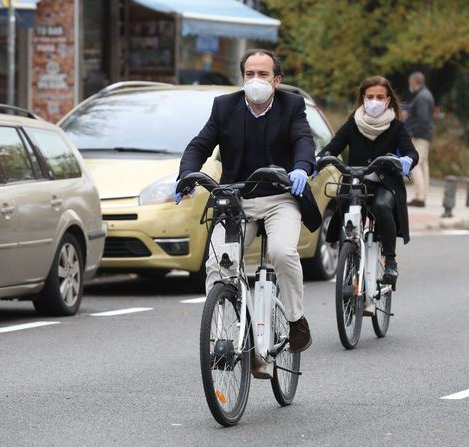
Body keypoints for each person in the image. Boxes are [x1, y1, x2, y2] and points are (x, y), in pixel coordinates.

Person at [174, 49, 321, 353]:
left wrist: (301, 169)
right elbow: (200, 144)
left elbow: (303, 140)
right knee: (218, 264)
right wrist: (187, 174)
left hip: (281, 198)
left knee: (282, 252)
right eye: (249, 74)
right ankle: (224, 334)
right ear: (242, 78)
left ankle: (296, 320)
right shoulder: (224, 106)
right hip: (237, 201)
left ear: (276, 80)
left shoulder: (291, 105)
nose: (255, 80)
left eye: (263, 74)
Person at [318, 75, 419, 288]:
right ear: (363, 98)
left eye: (380, 97)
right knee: (345, 212)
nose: (374, 101)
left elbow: (411, 151)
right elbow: (333, 147)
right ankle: (349, 252)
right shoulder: (353, 123)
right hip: (355, 182)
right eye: (370, 96)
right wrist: (319, 159)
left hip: (384, 184)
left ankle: (390, 261)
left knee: (382, 207)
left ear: (388, 100)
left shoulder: (396, 127)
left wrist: (407, 160)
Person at [404, 71, 434, 207]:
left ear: (414, 83)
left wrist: (412, 132)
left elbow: (422, 118)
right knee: (423, 165)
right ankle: (423, 194)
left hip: (419, 135)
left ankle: (420, 197)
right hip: (425, 135)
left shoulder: (421, 97)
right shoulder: (426, 95)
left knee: (415, 163)